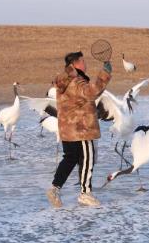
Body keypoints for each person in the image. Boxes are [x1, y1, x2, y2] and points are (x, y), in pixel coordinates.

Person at [46, 51, 112, 207]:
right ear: (75, 64)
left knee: (70, 158)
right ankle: (85, 193)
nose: (85, 64)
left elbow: (88, 94)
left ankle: (55, 189)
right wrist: (105, 73)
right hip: (81, 129)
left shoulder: (65, 80)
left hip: (67, 129)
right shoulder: (76, 81)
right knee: (87, 158)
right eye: (83, 61)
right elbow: (91, 91)